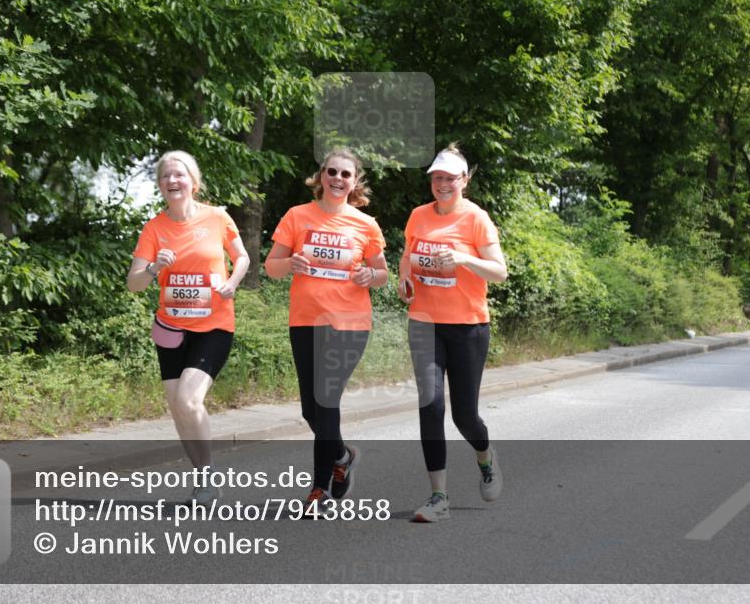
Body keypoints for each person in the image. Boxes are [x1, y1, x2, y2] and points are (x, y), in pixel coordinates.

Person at [264, 148, 388, 514]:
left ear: (354, 182)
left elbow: (381, 274)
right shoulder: (297, 216)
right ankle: (342, 455)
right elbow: (271, 267)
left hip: (349, 323)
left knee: (327, 399)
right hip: (305, 321)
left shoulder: (366, 225)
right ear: (320, 177)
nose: (337, 178)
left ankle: (318, 490)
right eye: (331, 172)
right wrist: (289, 262)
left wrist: (371, 275)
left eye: (345, 174)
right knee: (310, 409)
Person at [127, 150, 249, 503]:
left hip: (213, 326)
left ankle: (209, 477)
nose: (172, 180)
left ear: (193, 182)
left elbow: (241, 257)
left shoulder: (217, 217)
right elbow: (133, 283)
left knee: (188, 399)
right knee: (178, 408)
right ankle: (201, 480)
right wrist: (152, 269)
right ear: (160, 186)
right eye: (165, 176)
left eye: (179, 175)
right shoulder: (155, 228)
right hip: (171, 328)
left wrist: (233, 282)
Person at [398, 143, 508, 523]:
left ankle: (485, 455)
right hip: (425, 323)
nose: (441, 184)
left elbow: (499, 270)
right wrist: (404, 280)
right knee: (430, 405)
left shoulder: (476, 218)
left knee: (465, 416)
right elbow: (408, 256)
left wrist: (462, 258)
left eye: (449, 178)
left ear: (463, 181)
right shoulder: (418, 216)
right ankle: (438, 496)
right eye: (436, 178)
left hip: (468, 327)